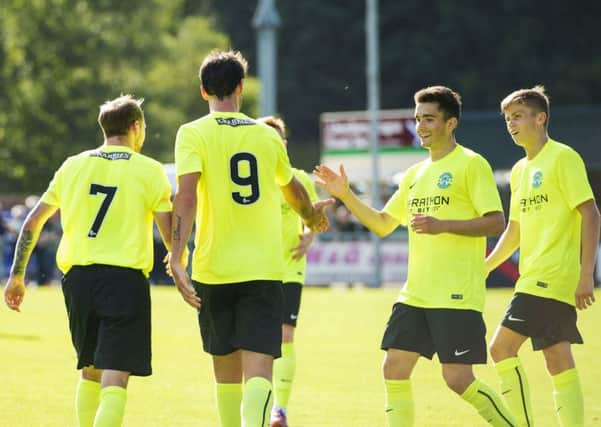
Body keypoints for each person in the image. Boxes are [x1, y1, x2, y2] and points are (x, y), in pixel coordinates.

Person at [315, 86, 517, 426]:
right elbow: (381, 224)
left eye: (429, 119)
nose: (421, 126)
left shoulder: (471, 164)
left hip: (456, 294)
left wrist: (444, 225)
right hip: (415, 294)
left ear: (450, 123)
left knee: (457, 379)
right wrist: (345, 194)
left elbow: (496, 221)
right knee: (394, 367)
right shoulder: (413, 175)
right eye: (417, 119)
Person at [168, 50, 332, 427]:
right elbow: (291, 187)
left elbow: (186, 196)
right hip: (262, 269)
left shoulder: (191, 133)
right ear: (241, 87)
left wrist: (176, 257)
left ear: (202, 91)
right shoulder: (265, 134)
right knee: (259, 369)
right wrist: (311, 216)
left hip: (213, 268)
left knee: (225, 372)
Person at [4, 95, 173, 427]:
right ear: (136, 127)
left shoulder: (73, 165)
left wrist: (17, 276)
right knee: (116, 377)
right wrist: (179, 262)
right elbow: (169, 234)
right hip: (124, 279)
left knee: (90, 370)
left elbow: (31, 223)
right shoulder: (149, 169)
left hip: (78, 280)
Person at [486, 86, 600, 427]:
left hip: (550, 276)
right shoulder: (520, 170)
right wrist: (484, 267)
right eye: (507, 118)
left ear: (541, 118)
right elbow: (514, 232)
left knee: (500, 349)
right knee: (557, 358)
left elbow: (591, 214)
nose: (511, 124)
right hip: (534, 275)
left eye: (518, 116)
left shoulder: (563, 157)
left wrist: (585, 275)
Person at [257, 116, 318, 427]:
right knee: (253, 343)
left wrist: (310, 233)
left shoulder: (298, 180)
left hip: (289, 269)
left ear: (283, 144)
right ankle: (257, 405)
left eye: (277, 139)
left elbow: (314, 217)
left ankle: (279, 409)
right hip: (254, 269)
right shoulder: (250, 181)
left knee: (284, 336)